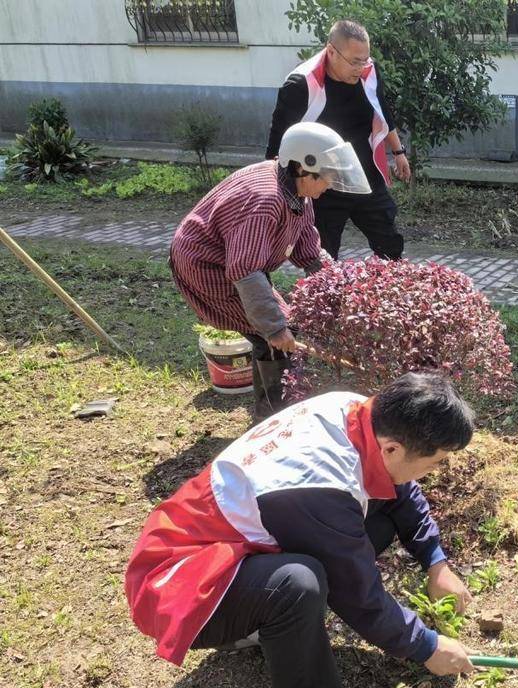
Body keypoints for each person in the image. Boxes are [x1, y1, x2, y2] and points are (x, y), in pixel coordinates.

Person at [125, 373, 477, 688]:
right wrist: (427, 647)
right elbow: (359, 597)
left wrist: (436, 562)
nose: (437, 470)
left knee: (372, 521)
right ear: (394, 447)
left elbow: (400, 489)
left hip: (234, 557)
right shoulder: (319, 485)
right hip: (176, 586)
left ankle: (264, 622)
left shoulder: (359, 413)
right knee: (297, 584)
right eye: (436, 460)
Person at [170, 121, 368, 418]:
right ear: (303, 167)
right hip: (207, 265)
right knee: (277, 335)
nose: (329, 184)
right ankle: (276, 417)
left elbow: (309, 252)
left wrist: (342, 289)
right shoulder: (265, 200)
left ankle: (271, 411)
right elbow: (245, 271)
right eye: (326, 176)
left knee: (275, 331)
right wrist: (275, 327)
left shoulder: (298, 194)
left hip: (239, 265)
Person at [266, 18, 411, 261]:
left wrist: (398, 151)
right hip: (322, 183)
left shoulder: (369, 71)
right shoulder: (301, 84)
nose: (361, 67)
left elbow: (382, 108)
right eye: (355, 61)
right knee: (321, 255)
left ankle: (388, 292)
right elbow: (277, 144)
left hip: (365, 174)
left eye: (365, 59)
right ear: (331, 51)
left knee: (390, 244)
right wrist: (276, 196)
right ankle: (322, 297)